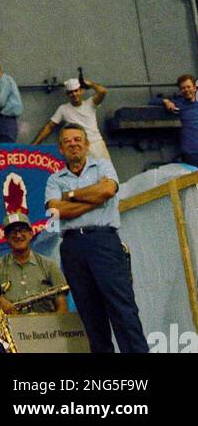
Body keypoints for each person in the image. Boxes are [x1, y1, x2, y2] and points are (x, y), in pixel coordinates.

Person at [45, 124, 148, 353]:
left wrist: (70, 196)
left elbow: (108, 191)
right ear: (60, 149)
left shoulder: (103, 167)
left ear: (87, 144)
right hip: (72, 247)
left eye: (77, 139)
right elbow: (55, 212)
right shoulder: (54, 180)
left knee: (122, 308)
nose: (73, 143)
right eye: (67, 141)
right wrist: (94, 198)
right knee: (90, 315)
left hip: (104, 242)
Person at [0, 213, 68, 315]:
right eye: (13, 232)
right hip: (12, 325)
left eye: (22, 230)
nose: (18, 235)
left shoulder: (49, 265)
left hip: (46, 326)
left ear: (31, 234)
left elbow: (62, 309)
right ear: (6, 237)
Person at [35, 76, 111, 160]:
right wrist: (34, 145)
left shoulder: (91, 103)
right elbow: (49, 126)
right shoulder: (63, 109)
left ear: (81, 91)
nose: (74, 94)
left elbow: (102, 91)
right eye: (71, 92)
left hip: (96, 144)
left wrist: (90, 84)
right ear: (67, 94)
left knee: (105, 171)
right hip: (78, 148)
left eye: (76, 91)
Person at [152, 73, 198, 166]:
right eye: (183, 88)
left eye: (188, 87)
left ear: (194, 88)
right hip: (190, 151)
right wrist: (166, 101)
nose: (186, 90)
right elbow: (152, 101)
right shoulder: (179, 103)